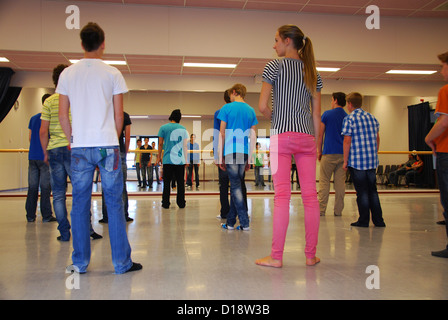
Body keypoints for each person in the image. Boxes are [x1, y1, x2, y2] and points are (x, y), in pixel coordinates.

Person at [57, 22, 141, 274]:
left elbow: (63, 115)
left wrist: (74, 140)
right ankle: (121, 263)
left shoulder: (67, 74)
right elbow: (119, 117)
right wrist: (112, 141)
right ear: (103, 44)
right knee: (114, 204)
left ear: (82, 44)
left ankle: (80, 263)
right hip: (107, 146)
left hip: (81, 146)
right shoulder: (113, 73)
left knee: (80, 204)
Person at [256, 24, 322, 268]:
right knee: (310, 198)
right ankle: (310, 255)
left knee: (281, 197)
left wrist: (278, 116)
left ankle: (276, 257)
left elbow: (262, 106)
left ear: (286, 41)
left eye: (276, 40)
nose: (273, 45)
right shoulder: (313, 71)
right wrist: (317, 145)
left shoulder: (274, 65)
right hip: (307, 138)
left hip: (280, 136)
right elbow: (317, 116)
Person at [41, 65, 101, 241]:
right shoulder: (77, 99)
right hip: (74, 148)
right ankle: (86, 230)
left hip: (54, 151)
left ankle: (65, 233)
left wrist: (45, 152)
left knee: (58, 194)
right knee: (81, 191)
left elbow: (43, 131)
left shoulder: (49, 101)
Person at [342, 92, 386, 228]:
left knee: (362, 193)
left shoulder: (349, 119)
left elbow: (347, 141)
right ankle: (379, 221)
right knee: (373, 191)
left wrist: (345, 161)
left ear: (349, 104)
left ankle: (364, 220)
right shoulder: (372, 118)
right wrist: (374, 152)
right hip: (371, 161)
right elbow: (377, 138)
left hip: (357, 162)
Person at [218, 83, 257, 231]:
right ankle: (229, 222)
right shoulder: (251, 110)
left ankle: (245, 222)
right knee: (237, 186)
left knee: (235, 187)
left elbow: (222, 133)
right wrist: (250, 158)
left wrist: (220, 155)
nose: (230, 98)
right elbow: (253, 136)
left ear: (234, 92)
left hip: (230, 151)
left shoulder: (226, 108)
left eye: (230, 95)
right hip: (244, 151)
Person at [425, 51, 448, 258]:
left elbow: (443, 122)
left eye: (443, 66)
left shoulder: (446, 91)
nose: (441, 71)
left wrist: (428, 138)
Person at [214, 90, 248, 220]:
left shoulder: (220, 112)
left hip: (226, 151)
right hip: (240, 150)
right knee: (240, 182)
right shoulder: (244, 110)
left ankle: (225, 213)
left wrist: (218, 155)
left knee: (224, 185)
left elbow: (218, 133)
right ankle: (242, 211)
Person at [25, 94, 55, 223]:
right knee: (45, 187)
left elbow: (30, 137)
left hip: (32, 156)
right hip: (45, 157)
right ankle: (46, 215)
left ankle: (30, 216)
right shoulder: (50, 119)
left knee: (32, 187)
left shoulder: (33, 118)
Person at [317, 92, 347, 216]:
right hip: (343, 154)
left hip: (328, 153)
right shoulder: (347, 116)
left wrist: (319, 150)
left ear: (335, 100)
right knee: (340, 184)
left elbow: (320, 135)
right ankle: (338, 211)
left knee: (324, 182)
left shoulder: (327, 114)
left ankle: (321, 210)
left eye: (331, 99)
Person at [100, 111, 133, 223]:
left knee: (106, 185)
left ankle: (106, 216)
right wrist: (125, 152)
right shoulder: (124, 115)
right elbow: (127, 138)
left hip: (105, 151)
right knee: (122, 185)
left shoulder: (103, 113)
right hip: (119, 151)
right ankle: (124, 215)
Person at [156, 109, 189, 209]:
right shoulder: (183, 129)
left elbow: (160, 143)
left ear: (171, 117)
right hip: (179, 160)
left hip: (167, 159)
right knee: (180, 183)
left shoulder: (163, 128)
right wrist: (186, 160)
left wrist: (159, 157)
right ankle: (181, 203)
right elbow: (185, 146)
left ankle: (165, 203)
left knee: (167, 182)